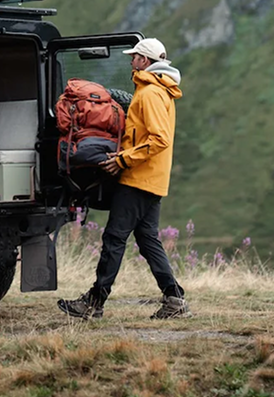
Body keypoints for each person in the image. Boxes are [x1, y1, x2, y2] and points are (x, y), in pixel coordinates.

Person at [57, 37, 190, 320]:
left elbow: (159, 139)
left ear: (144, 60)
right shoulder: (157, 89)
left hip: (139, 178)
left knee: (114, 237)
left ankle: (94, 303)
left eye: (134, 57)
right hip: (151, 178)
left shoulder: (151, 92)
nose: (130, 61)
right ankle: (174, 300)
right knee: (148, 240)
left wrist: (122, 160)